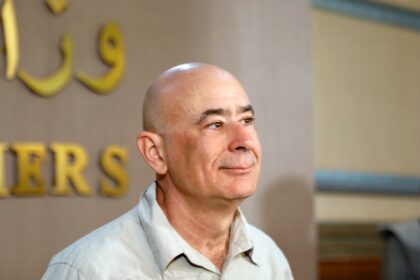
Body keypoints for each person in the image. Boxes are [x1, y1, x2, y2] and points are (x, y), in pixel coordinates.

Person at [42, 63, 293, 279]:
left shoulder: (269, 259)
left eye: (246, 121)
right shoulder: (89, 271)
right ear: (155, 152)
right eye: (215, 124)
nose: (243, 141)